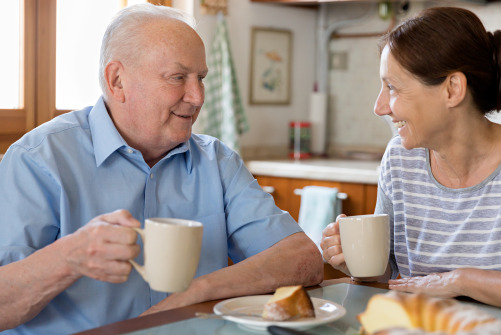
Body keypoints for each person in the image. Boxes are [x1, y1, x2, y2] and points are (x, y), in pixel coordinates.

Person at [0, 4, 323, 334]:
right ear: (117, 81)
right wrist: (67, 258)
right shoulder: (38, 159)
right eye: (178, 78)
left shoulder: (218, 161)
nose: (197, 97)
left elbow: (304, 259)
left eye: (201, 78)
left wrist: (196, 292)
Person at [321, 6, 501, 319]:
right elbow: (393, 277)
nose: (379, 107)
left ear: (452, 89)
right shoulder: (400, 160)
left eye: (392, 87)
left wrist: (461, 280)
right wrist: (358, 263)